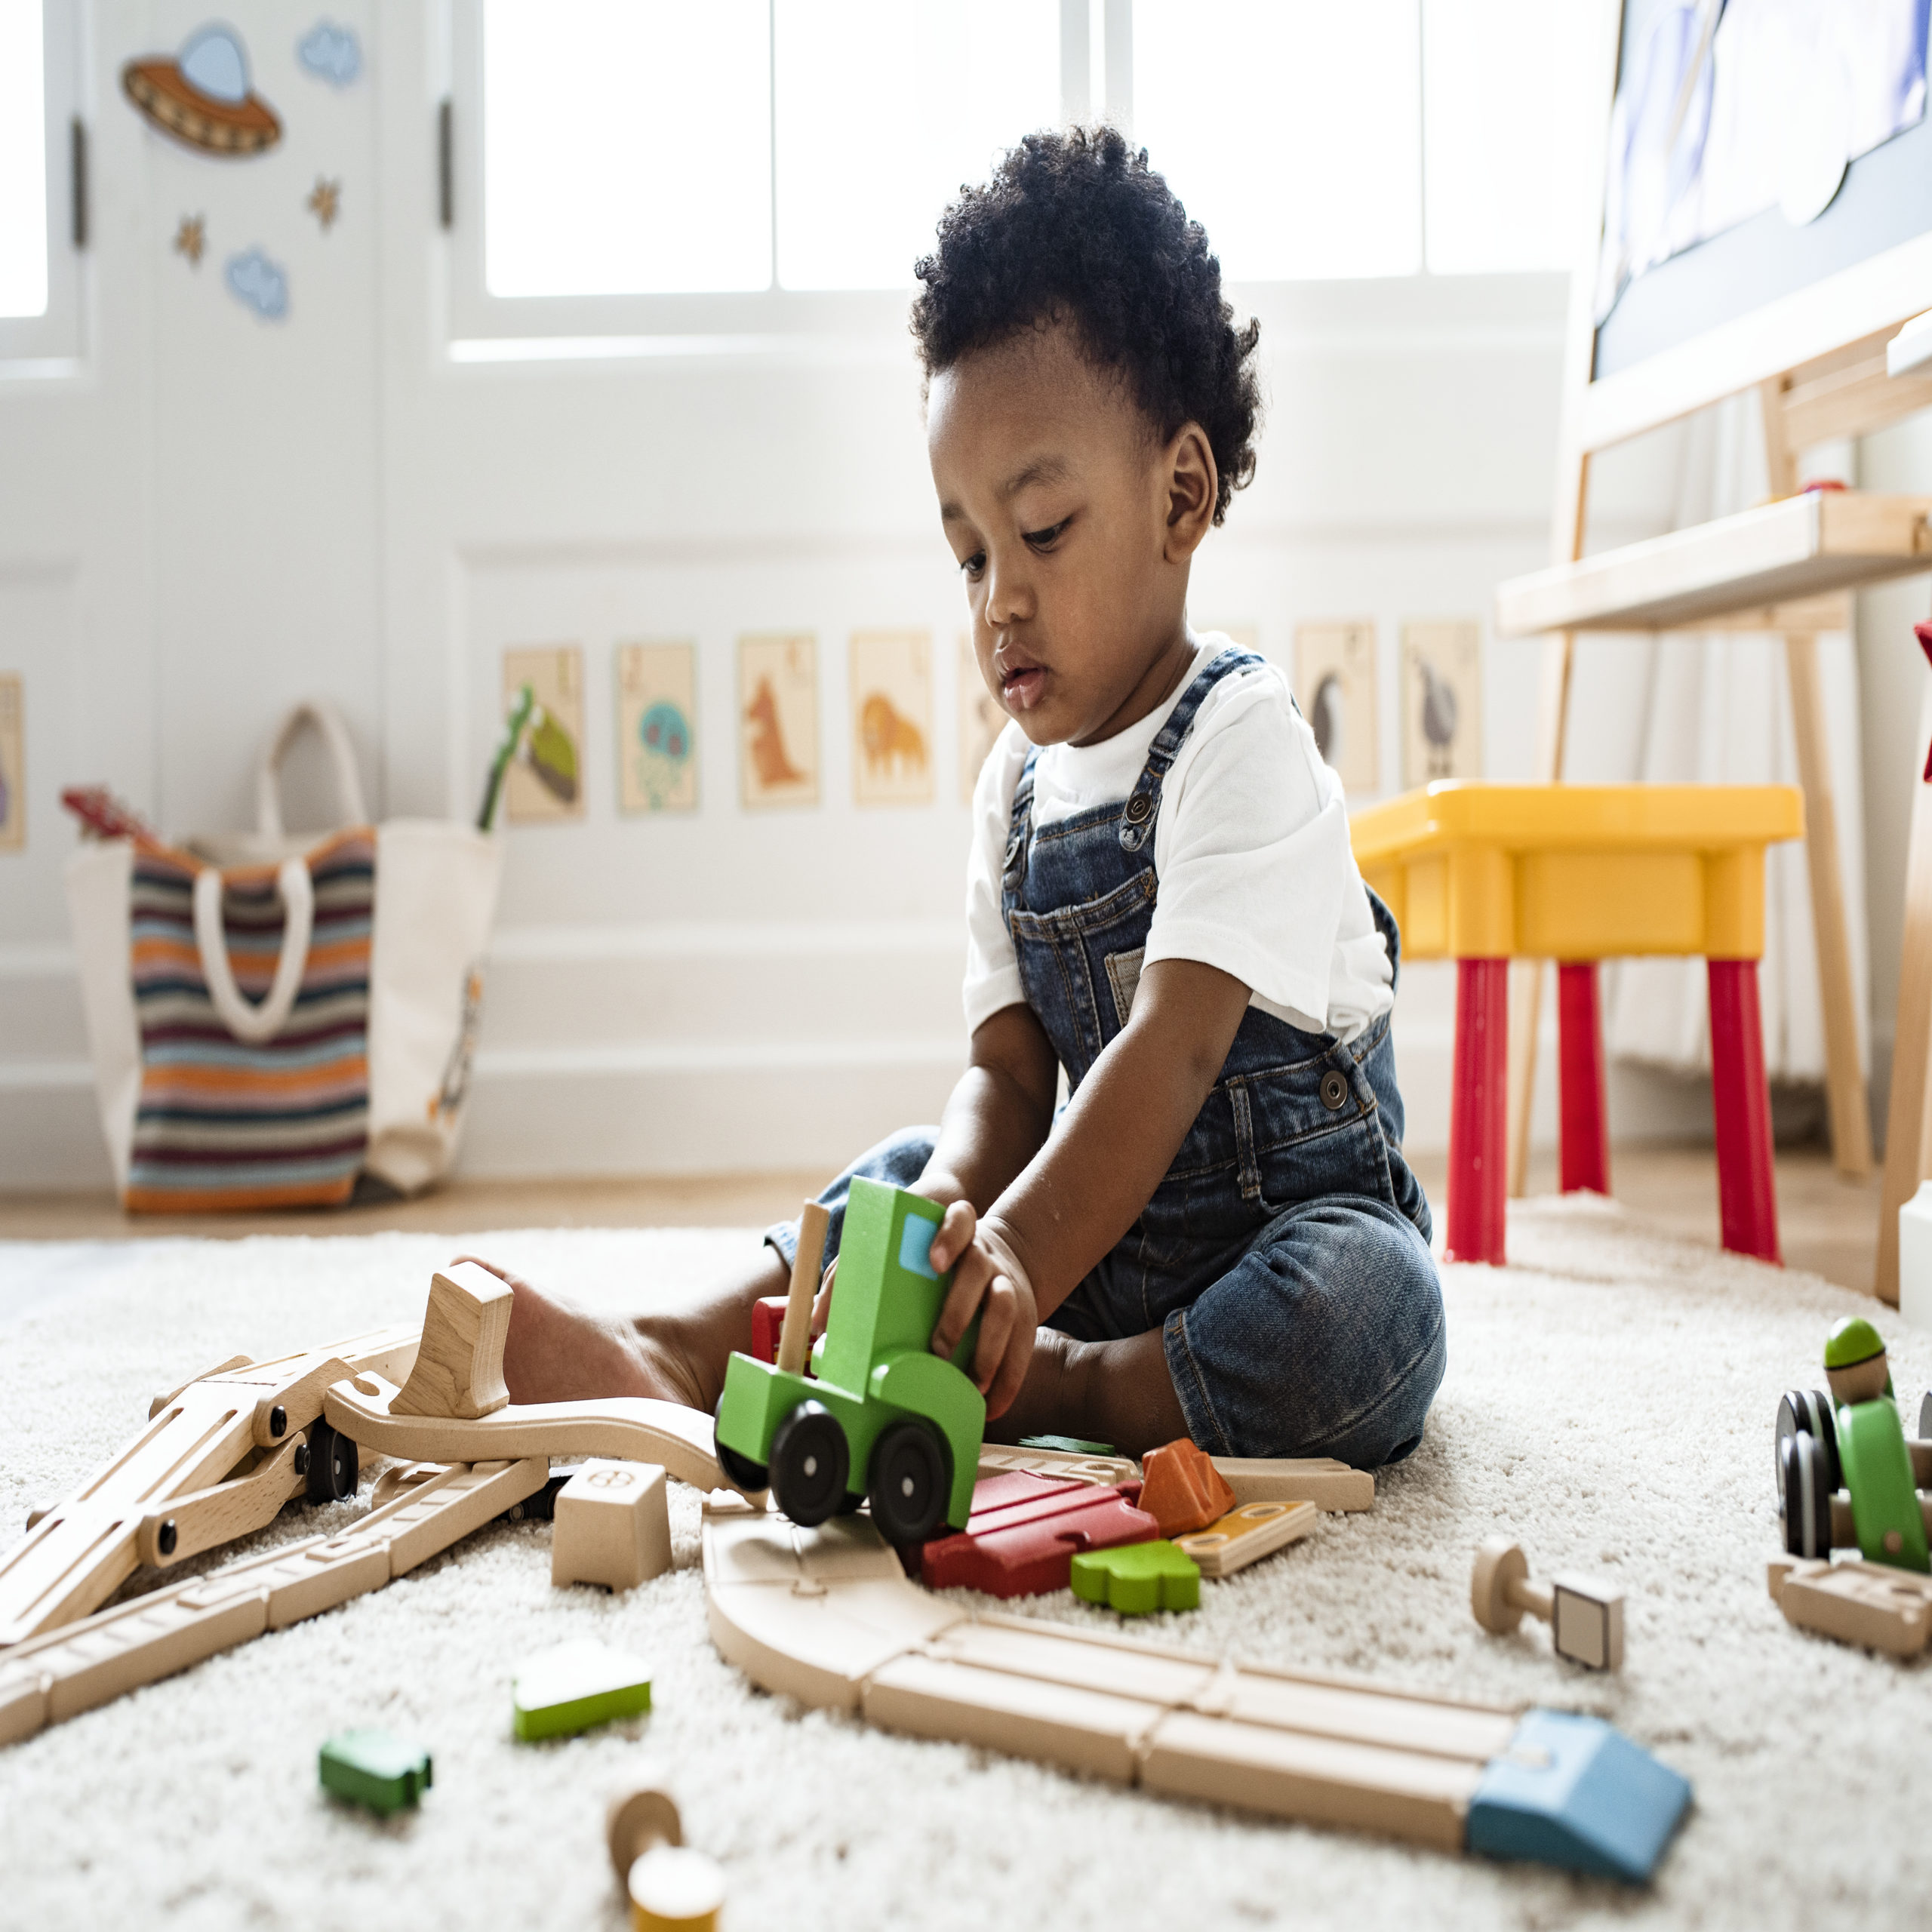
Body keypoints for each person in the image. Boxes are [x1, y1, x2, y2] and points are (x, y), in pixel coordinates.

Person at [483, 127, 1444, 1465]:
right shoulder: (1013, 791)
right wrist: (952, 1214)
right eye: (969, 554)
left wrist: (1010, 1258)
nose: (1002, 598)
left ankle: (1070, 1394)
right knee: (895, 1174)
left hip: (1269, 1244)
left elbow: (1169, 1053)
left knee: (1373, 1321)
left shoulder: (1243, 739)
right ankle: (685, 1349)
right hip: (1070, 1251)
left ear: (1181, 495)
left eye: (1042, 532)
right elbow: (1008, 1071)